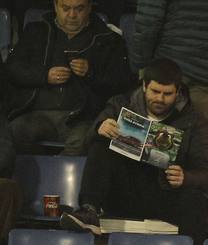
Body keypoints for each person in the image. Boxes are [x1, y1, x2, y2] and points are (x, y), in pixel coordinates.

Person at [62, 59, 208, 245]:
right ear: (144, 86)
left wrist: (186, 177)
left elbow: (207, 174)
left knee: (196, 201)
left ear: (178, 92)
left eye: (167, 94)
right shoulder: (119, 105)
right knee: (101, 144)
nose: (160, 98)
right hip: (123, 190)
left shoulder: (193, 121)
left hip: (163, 193)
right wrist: (98, 129)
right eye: (155, 91)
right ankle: (88, 210)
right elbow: (87, 147)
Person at [4, 0, 134, 154]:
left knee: (83, 143)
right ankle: (34, 175)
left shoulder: (109, 39)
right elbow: (11, 70)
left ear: (90, 7)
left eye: (79, 9)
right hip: (36, 114)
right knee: (14, 133)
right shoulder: (35, 31)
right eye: (66, 8)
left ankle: (60, 175)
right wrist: (44, 75)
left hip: (83, 118)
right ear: (55, 6)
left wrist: (91, 73)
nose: (72, 15)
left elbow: (122, 84)